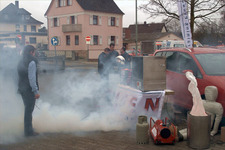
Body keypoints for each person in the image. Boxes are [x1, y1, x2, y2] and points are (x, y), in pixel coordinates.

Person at [17, 45, 40, 137]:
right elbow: (32, 78)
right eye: (34, 52)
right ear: (31, 52)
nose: (35, 54)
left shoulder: (21, 61)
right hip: (29, 90)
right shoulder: (32, 62)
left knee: (27, 109)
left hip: (22, 89)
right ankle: (29, 132)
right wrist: (36, 91)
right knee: (29, 110)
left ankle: (29, 129)